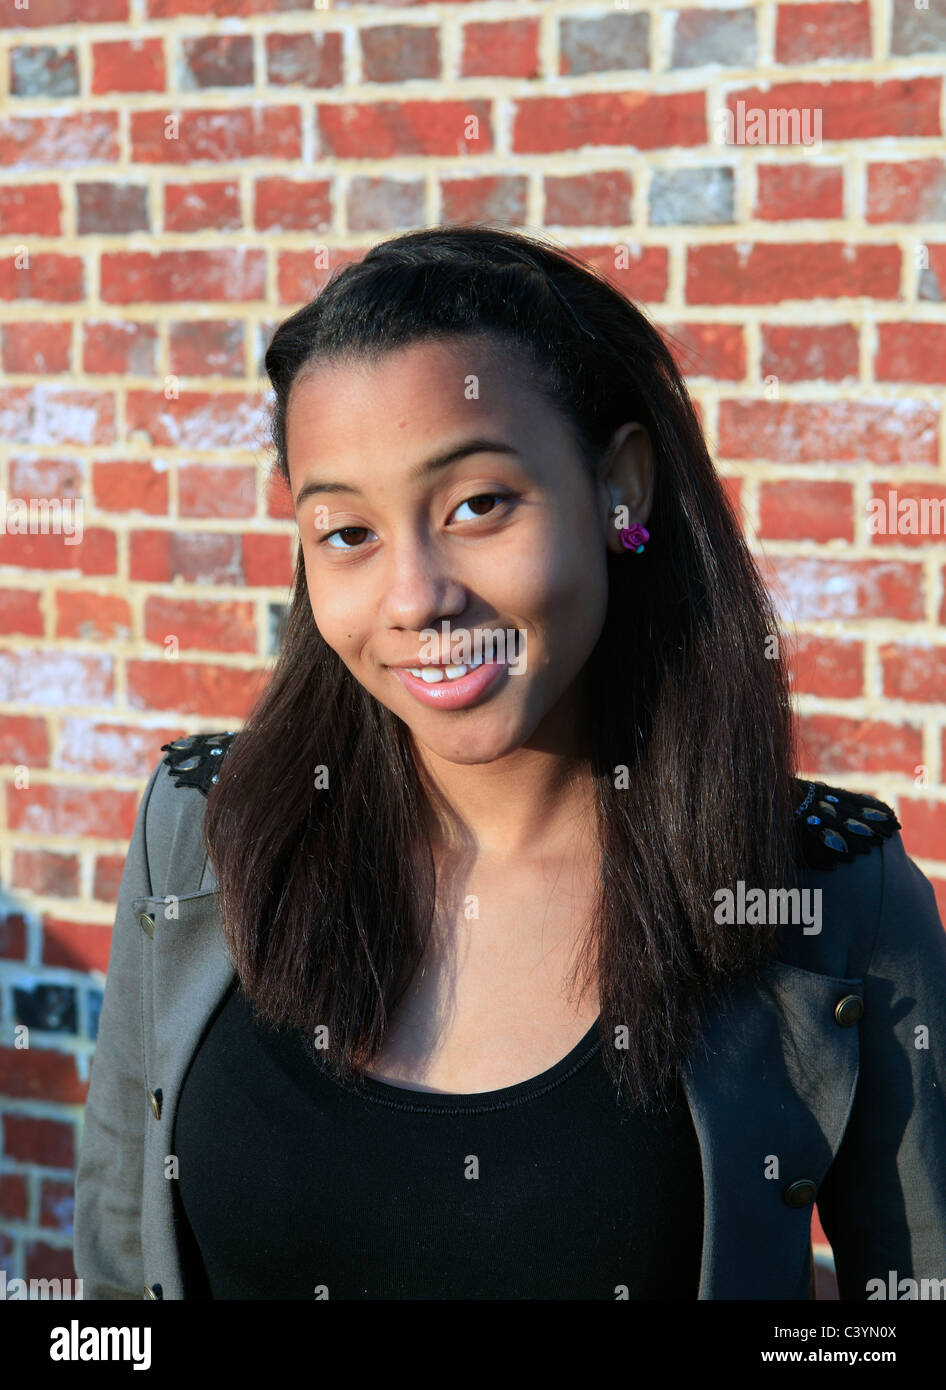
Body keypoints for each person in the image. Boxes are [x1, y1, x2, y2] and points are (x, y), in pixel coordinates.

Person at [74, 225, 946, 1301]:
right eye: (347, 533)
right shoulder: (199, 833)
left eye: (477, 504)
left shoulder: (827, 897)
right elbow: (116, 1289)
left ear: (617, 487)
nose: (416, 596)